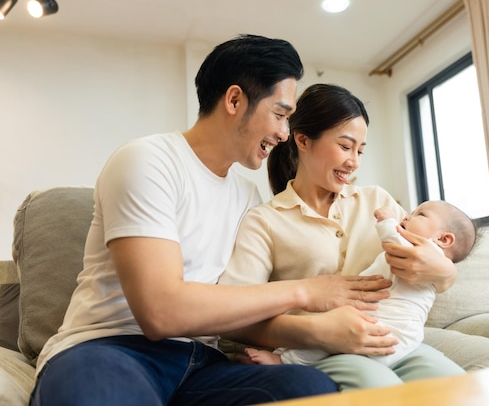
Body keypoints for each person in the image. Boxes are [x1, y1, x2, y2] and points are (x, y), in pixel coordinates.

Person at [30, 35, 399, 406]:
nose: (284, 134)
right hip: (112, 348)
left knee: (307, 389)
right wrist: (308, 291)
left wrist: (317, 332)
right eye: (280, 115)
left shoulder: (247, 197)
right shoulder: (147, 160)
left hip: (202, 363)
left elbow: (239, 314)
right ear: (235, 100)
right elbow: (160, 312)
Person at [219, 83, 465, 391]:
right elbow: (231, 317)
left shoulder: (377, 201)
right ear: (303, 140)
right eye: (345, 147)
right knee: (379, 387)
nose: (354, 162)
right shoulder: (265, 221)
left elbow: (430, 262)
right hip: (321, 350)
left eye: (360, 151)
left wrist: (446, 273)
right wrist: (316, 330)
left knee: (458, 386)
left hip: (393, 342)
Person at [242, 201, 477, 368]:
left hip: (387, 327)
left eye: (420, 215)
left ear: (444, 239)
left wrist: (386, 221)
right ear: (303, 142)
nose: (407, 216)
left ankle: (282, 361)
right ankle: (282, 359)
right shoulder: (267, 216)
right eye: (345, 146)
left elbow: (393, 239)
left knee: (324, 349)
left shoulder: (417, 244)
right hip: (400, 336)